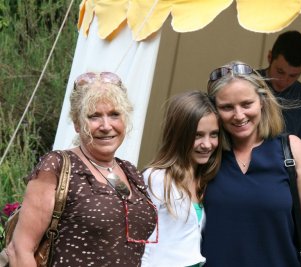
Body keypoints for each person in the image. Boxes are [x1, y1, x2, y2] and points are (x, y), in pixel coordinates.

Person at [7, 72, 157, 267]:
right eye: (94, 116)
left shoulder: (129, 172)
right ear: (77, 124)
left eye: (114, 114)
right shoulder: (57, 166)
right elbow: (20, 250)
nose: (106, 125)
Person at [201, 61, 301, 266]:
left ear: (262, 101)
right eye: (226, 107)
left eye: (246, 104)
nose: (239, 115)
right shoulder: (205, 154)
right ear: (214, 110)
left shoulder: (292, 149)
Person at [141, 91, 222, 267]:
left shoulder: (206, 180)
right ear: (179, 135)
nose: (207, 144)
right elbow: (142, 242)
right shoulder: (157, 178)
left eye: (213, 134)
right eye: (198, 135)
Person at [257, 30, 301, 151]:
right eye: (280, 72)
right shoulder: (245, 85)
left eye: (293, 76)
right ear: (270, 57)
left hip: (283, 169)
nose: (284, 81)